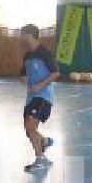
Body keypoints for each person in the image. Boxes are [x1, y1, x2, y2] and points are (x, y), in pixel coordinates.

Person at [19, 24, 58, 173]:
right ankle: (43, 141)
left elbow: (55, 73)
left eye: (24, 34)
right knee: (29, 129)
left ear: (31, 35)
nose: (21, 38)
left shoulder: (44, 53)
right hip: (31, 97)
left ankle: (41, 160)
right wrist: (22, 79)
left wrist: (40, 85)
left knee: (30, 126)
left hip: (43, 96)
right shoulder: (27, 55)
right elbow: (23, 74)